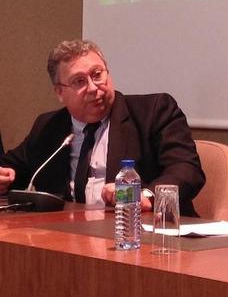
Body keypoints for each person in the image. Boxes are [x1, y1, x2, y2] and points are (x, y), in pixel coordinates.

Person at [0, 39, 205, 215]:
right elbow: (13, 167)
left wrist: (144, 196)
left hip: (141, 233)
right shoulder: (49, 127)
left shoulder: (153, 111)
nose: (93, 87)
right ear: (60, 92)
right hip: (68, 236)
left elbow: (186, 169)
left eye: (97, 74)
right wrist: (5, 177)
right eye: (79, 81)